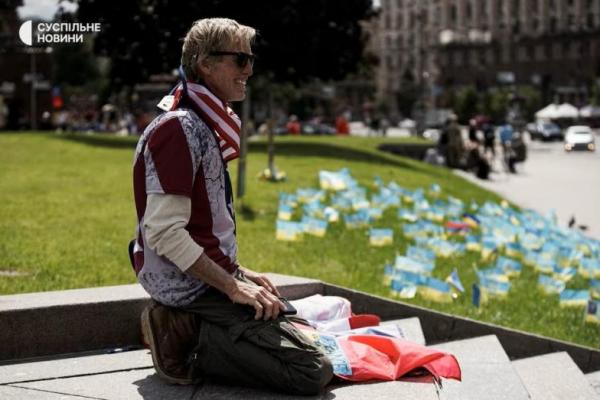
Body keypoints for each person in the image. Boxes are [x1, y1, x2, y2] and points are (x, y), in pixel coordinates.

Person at [132, 18, 332, 395]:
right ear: (205, 63)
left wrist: (239, 272)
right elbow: (163, 231)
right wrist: (232, 286)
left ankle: (198, 327)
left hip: (205, 279)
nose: (249, 70)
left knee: (298, 328)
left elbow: (202, 224)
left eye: (251, 60)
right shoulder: (179, 129)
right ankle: (180, 335)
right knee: (310, 368)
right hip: (187, 285)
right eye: (240, 60)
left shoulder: (201, 125)